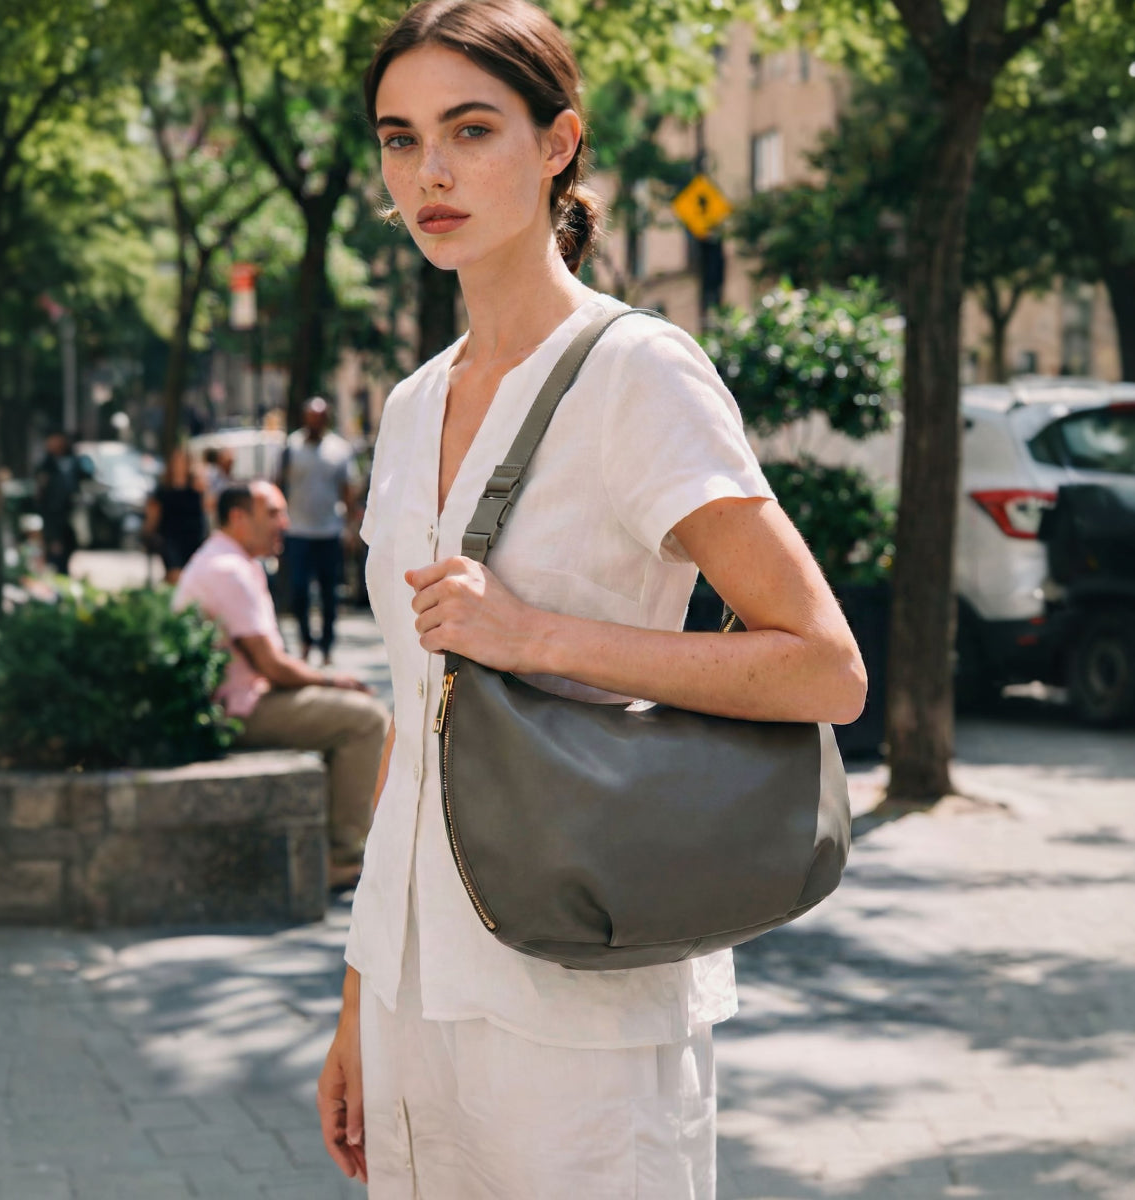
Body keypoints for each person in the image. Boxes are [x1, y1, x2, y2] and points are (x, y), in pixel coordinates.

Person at [315, 2, 867, 1195]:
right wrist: (359, 1002)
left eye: (472, 130)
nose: (431, 173)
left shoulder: (638, 372)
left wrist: (534, 637)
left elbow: (825, 666)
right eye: (401, 139)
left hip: (583, 991)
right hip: (416, 991)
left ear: (557, 143)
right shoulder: (410, 407)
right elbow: (417, 714)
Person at [174, 482, 391, 888]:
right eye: (273, 513)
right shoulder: (228, 570)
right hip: (235, 711)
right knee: (365, 720)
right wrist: (333, 681)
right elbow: (271, 665)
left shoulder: (228, 560)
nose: (286, 523)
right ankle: (342, 857)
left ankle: (345, 846)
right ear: (238, 518)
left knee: (353, 713)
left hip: (241, 699)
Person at [279, 398, 356, 663]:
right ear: (304, 418)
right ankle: (305, 640)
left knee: (329, 594)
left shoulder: (339, 449)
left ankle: (326, 645)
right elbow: (279, 484)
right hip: (297, 531)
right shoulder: (291, 447)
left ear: (326, 419)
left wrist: (351, 528)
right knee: (299, 590)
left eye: (320, 417)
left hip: (329, 532)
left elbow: (347, 490)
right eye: (311, 417)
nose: (315, 422)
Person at [144, 446, 207, 585]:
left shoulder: (196, 486)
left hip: (193, 537)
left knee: (190, 576)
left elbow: (207, 508)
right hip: (171, 537)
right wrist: (148, 534)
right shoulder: (163, 488)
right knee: (175, 574)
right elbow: (154, 513)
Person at [34, 431, 85, 575]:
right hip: (51, 512)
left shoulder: (73, 460)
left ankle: (63, 573)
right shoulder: (47, 464)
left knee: (68, 544)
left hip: (69, 511)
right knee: (54, 547)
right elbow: (41, 490)